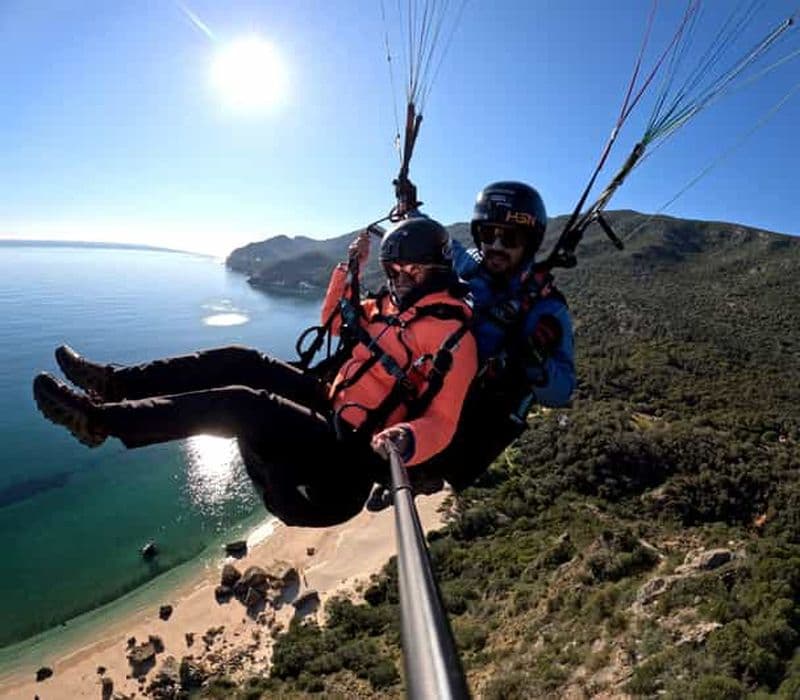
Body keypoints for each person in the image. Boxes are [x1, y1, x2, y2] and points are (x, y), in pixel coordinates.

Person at [32, 217, 478, 527]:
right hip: (329, 403)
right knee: (240, 358)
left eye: (409, 270)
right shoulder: (389, 306)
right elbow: (334, 321)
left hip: (349, 453)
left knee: (241, 402)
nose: (398, 278)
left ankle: (100, 421)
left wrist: (409, 439)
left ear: (437, 270)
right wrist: (349, 269)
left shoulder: (452, 336)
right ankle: (113, 383)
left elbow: (442, 420)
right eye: (394, 269)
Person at [372, 181, 574, 501]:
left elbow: (562, 390)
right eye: (488, 234)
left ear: (529, 243)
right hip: (438, 386)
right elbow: (439, 239)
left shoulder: (547, 309)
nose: (495, 245)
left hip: (478, 417)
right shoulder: (472, 270)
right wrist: (409, 208)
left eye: (508, 238)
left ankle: (421, 474)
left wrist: (535, 361)